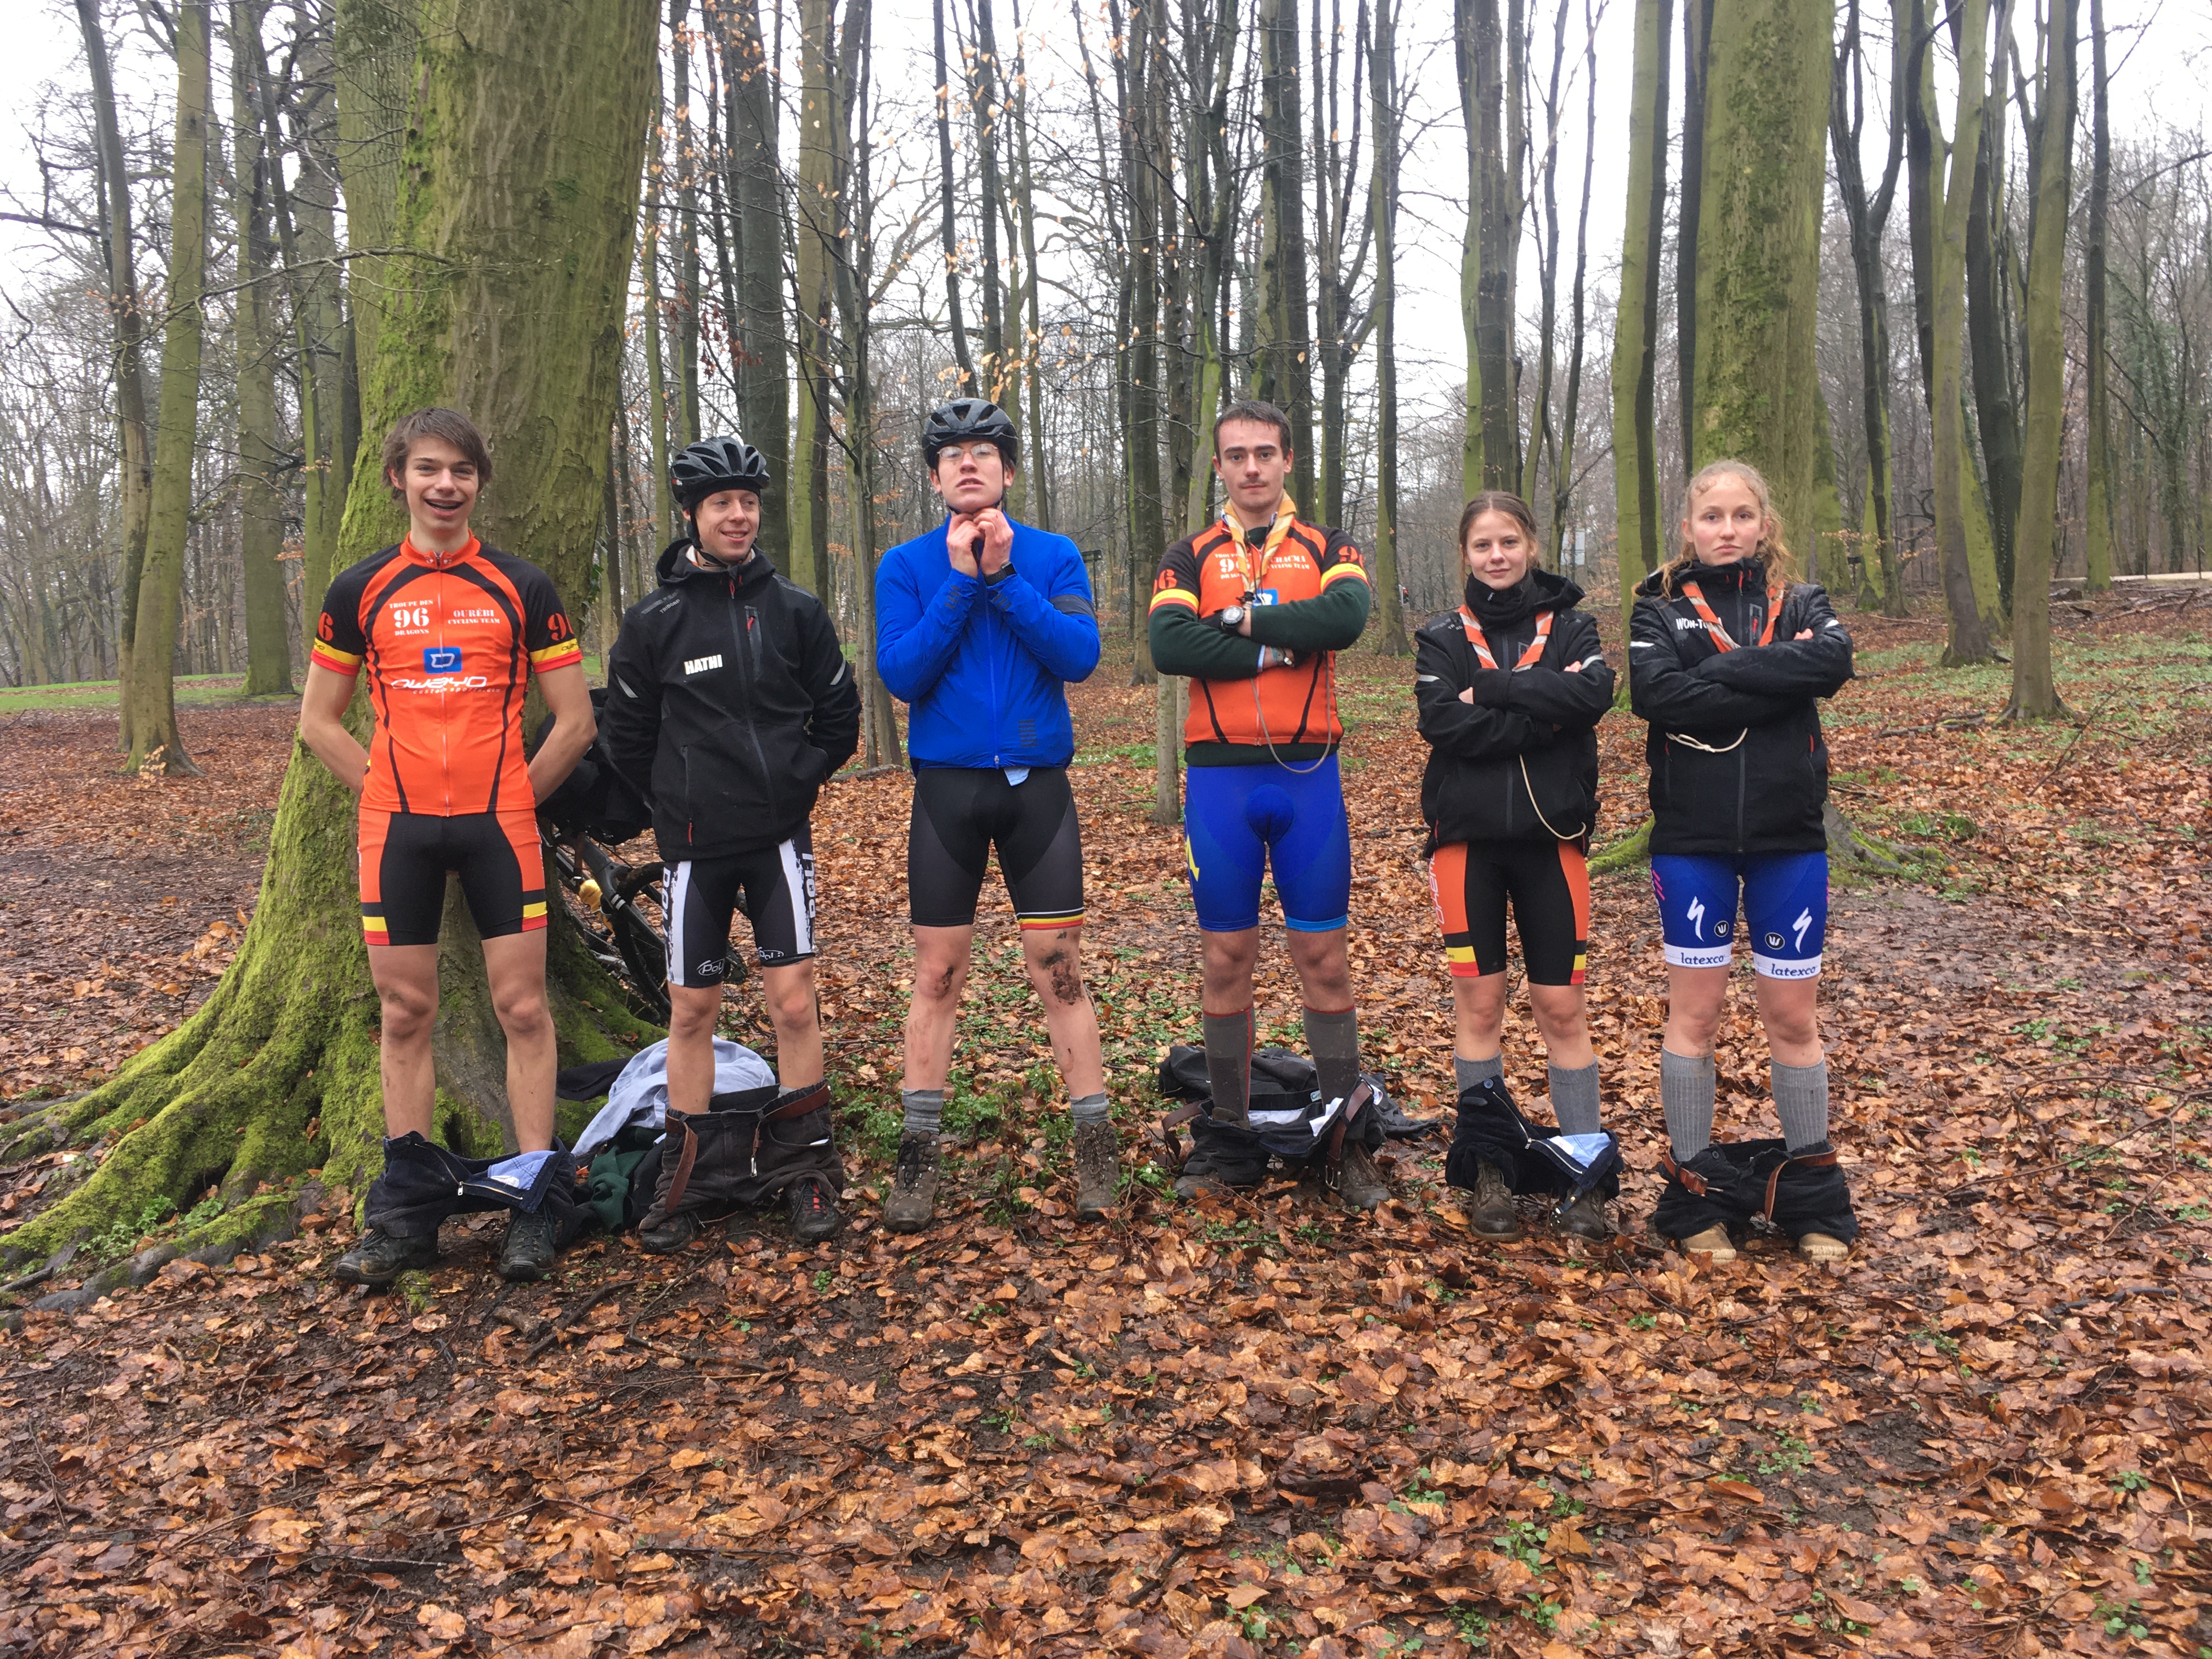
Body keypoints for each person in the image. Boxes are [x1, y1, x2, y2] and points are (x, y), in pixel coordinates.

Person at [301, 408, 595, 1286]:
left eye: (462, 471)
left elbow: (575, 723)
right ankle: (405, 1216)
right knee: (404, 1013)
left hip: (501, 825)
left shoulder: (521, 586)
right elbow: (319, 722)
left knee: (524, 1010)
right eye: (429, 468)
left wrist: (512, 799)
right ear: (399, 477)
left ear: (478, 484)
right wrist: (387, 793)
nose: (445, 485)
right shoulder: (359, 588)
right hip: (397, 830)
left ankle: (535, 1201)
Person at [600, 436, 861, 1249]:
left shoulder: (796, 610)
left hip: (778, 840)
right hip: (693, 848)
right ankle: (688, 1177)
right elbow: (625, 736)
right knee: (692, 1009)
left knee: (793, 1002)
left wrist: (795, 781)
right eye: (722, 503)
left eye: (749, 502)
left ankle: (806, 1167)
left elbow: (840, 718)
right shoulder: (654, 622)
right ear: (693, 514)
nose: (739, 515)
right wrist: (675, 798)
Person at [874, 398, 1115, 1232]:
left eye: (983, 452)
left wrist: (1006, 579)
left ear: (1008, 471)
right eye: (952, 455)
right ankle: (917, 1157)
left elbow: (1079, 657)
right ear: (935, 477)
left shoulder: (1053, 555)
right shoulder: (905, 565)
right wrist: (959, 582)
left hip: (1035, 790)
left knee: (1059, 969)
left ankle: (1096, 1149)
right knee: (937, 975)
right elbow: (902, 674)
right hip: (947, 791)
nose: (968, 464)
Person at [1148, 399, 1387, 1209]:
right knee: (1226, 958)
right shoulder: (1189, 554)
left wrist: (1240, 622)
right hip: (1221, 784)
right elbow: (1170, 643)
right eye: (1236, 455)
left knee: (1324, 958)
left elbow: (1345, 616)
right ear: (1220, 465)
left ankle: (1345, 1138)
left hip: (1308, 778)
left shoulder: (1328, 545)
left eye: (1265, 453)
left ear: (1287, 460)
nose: (1251, 467)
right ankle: (1229, 1135)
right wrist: (1283, 645)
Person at [1629, 458, 1858, 1264]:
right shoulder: (1658, 606)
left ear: (1765, 525)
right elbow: (1656, 696)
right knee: (1694, 1018)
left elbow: (1831, 664)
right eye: (1711, 517)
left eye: (1741, 516)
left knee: (1792, 1020)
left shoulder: (1803, 603)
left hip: (1787, 839)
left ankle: (1813, 1196)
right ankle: (1696, 1196)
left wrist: (1718, 670)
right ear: (1688, 527)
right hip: (1691, 840)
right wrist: (1777, 682)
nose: (1727, 530)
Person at [1413, 492, 1616, 1240]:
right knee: (1480, 1008)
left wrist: (1496, 692)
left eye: (1508, 542)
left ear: (1531, 544)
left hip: (1552, 844)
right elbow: (1443, 723)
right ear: (1465, 554)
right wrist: (1544, 717)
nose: (1496, 556)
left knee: (1562, 1009)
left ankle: (1584, 1176)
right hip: (1466, 846)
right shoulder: (1441, 635)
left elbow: (1593, 695)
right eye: (1482, 545)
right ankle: (1490, 1169)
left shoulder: (1573, 626)